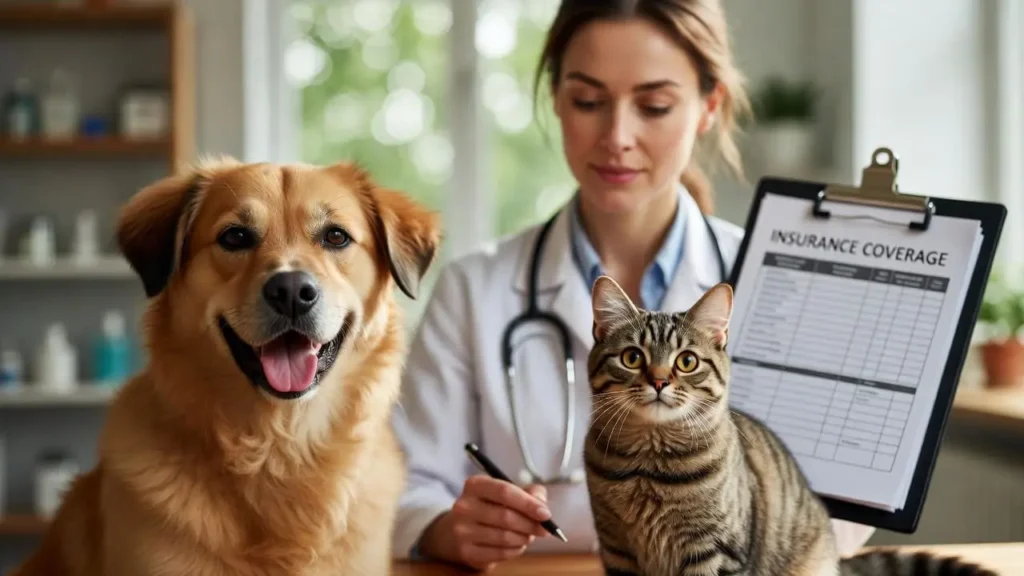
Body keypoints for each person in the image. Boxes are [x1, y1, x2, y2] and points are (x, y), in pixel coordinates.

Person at [390, 0, 876, 570]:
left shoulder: (784, 280)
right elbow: (402, 488)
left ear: (708, 107)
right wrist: (448, 528)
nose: (617, 136)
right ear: (556, 99)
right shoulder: (472, 290)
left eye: (654, 106)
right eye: (588, 101)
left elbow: (838, 513)